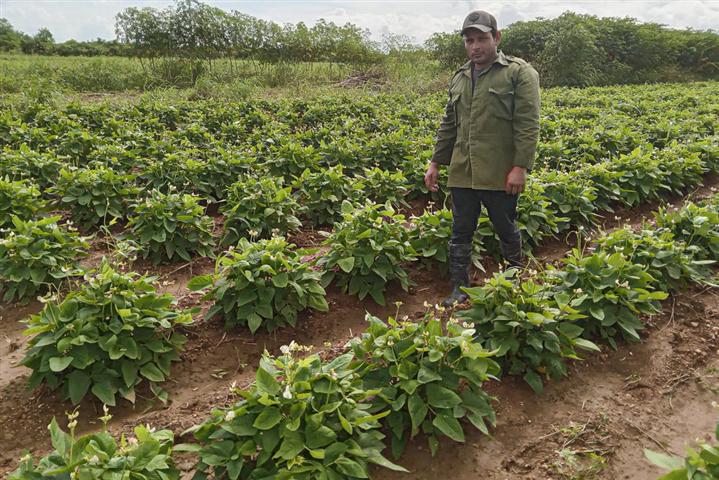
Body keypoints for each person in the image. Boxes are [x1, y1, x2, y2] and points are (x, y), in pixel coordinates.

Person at [424, 10, 541, 307]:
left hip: (499, 172)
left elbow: (528, 124)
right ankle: (459, 287)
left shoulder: (518, 72)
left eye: (481, 39)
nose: (475, 46)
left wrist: (520, 167)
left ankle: (514, 279)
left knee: (505, 224)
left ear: (496, 38)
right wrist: (436, 162)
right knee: (461, 230)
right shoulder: (460, 77)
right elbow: (450, 123)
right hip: (463, 171)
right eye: (469, 40)